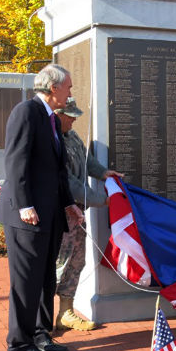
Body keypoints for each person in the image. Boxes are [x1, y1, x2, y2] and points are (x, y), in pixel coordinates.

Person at [0, 64, 84, 351]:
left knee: (45, 276)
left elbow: (56, 172)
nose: (71, 92)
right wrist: (24, 205)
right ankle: (19, 346)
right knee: (26, 281)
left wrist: (68, 203)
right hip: (27, 215)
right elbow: (15, 161)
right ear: (53, 87)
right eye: (68, 87)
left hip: (48, 214)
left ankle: (40, 333)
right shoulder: (26, 112)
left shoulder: (51, 120)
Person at [54, 99, 123, 331]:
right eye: (70, 115)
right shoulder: (52, 141)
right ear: (57, 113)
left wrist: (103, 173)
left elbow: (86, 161)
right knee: (59, 264)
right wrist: (100, 200)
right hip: (62, 212)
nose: (74, 119)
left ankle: (66, 312)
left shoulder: (71, 136)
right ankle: (41, 318)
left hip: (78, 215)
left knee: (77, 260)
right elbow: (68, 183)